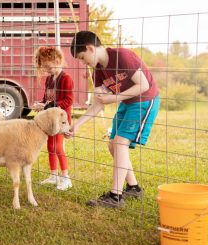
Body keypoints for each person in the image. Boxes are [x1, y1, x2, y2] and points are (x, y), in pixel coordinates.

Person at [68, 31, 160, 208]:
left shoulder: (122, 57)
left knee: (119, 143)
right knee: (113, 145)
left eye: (82, 57)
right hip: (127, 102)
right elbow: (97, 105)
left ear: (90, 48)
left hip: (145, 99)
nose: (82, 62)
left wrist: (114, 98)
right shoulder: (98, 73)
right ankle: (134, 188)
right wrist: (77, 125)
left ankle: (115, 197)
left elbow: (144, 85)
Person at [33, 46, 73, 191]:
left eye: (48, 67)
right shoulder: (49, 79)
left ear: (57, 60)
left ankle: (66, 177)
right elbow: (46, 98)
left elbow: (68, 101)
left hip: (61, 120)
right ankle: (53, 175)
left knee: (57, 147)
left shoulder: (66, 78)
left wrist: (49, 105)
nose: (46, 70)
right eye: (44, 68)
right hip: (50, 120)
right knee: (50, 146)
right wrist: (41, 104)